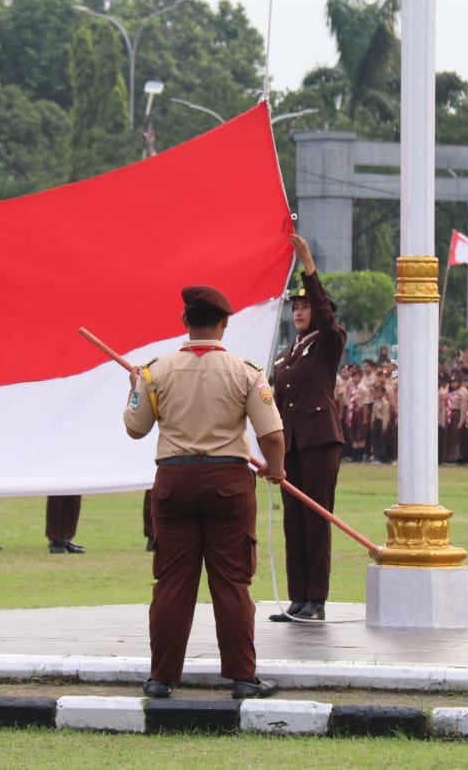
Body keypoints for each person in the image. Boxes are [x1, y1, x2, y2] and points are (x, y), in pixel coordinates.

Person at [125, 285, 285, 700]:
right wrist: (276, 471)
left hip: (174, 481)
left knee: (172, 582)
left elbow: (136, 427)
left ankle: (161, 677)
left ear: (185, 322)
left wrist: (135, 387)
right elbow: (272, 434)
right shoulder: (246, 371)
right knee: (232, 582)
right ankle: (242, 676)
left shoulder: (154, 370)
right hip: (227, 483)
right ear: (224, 323)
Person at [268, 234, 346, 623]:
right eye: (295, 307)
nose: (299, 312)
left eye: (304, 306)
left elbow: (326, 315)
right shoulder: (286, 355)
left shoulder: (329, 341)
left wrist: (309, 268)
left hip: (319, 441)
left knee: (316, 520)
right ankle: (298, 597)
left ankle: (317, 598)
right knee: (293, 521)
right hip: (292, 444)